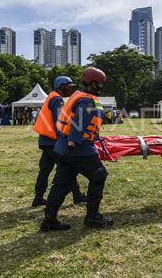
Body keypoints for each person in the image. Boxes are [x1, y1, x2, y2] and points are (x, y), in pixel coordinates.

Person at [41, 67, 113, 231]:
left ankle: (49, 220)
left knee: (61, 184)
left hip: (62, 148)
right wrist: (73, 143)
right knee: (99, 175)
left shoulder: (76, 96)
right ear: (92, 83)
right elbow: (78, 123)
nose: (101, 88)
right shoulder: (87, 101)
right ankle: (93, 217)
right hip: (78, 148)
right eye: (100, 85)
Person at [32, 76, 87, 208]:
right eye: (68, 86)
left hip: (45, 141)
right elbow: (59, 122)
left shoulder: (51, 96)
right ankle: (77, 195)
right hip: (53, 142)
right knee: (68, 168)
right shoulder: (57, 99)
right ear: (61, 86)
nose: (70, 89)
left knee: (44, 171)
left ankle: (38, 198)